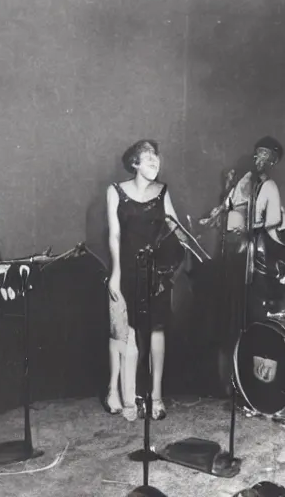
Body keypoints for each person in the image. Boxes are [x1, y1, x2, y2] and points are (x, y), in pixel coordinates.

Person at [200, 136, 285, 395]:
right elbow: (228, 204)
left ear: (273, 161)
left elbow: (273, 219)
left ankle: (257, 384)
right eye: (256, 154)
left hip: (260, 257)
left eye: (265, 155)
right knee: (233, 315)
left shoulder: (270, 186)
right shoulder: (245, 182)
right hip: (239, 257)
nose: (258, 159)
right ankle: (231, 381)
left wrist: (247, 228)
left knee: (255, 317)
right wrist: (215, 215)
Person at [106, 139, 186, 422]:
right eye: (149, 160)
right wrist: (115, 274)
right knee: (125, 334)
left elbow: (176, 226)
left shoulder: (163, 191)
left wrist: (187, 242)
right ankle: (127, 398)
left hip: (156, 272)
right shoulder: (115, 191)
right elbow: (114, 235)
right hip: (127, 269)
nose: (156, 165)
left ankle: (157, 397)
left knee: (156, 332)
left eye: (158, 161)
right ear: (135, 164)